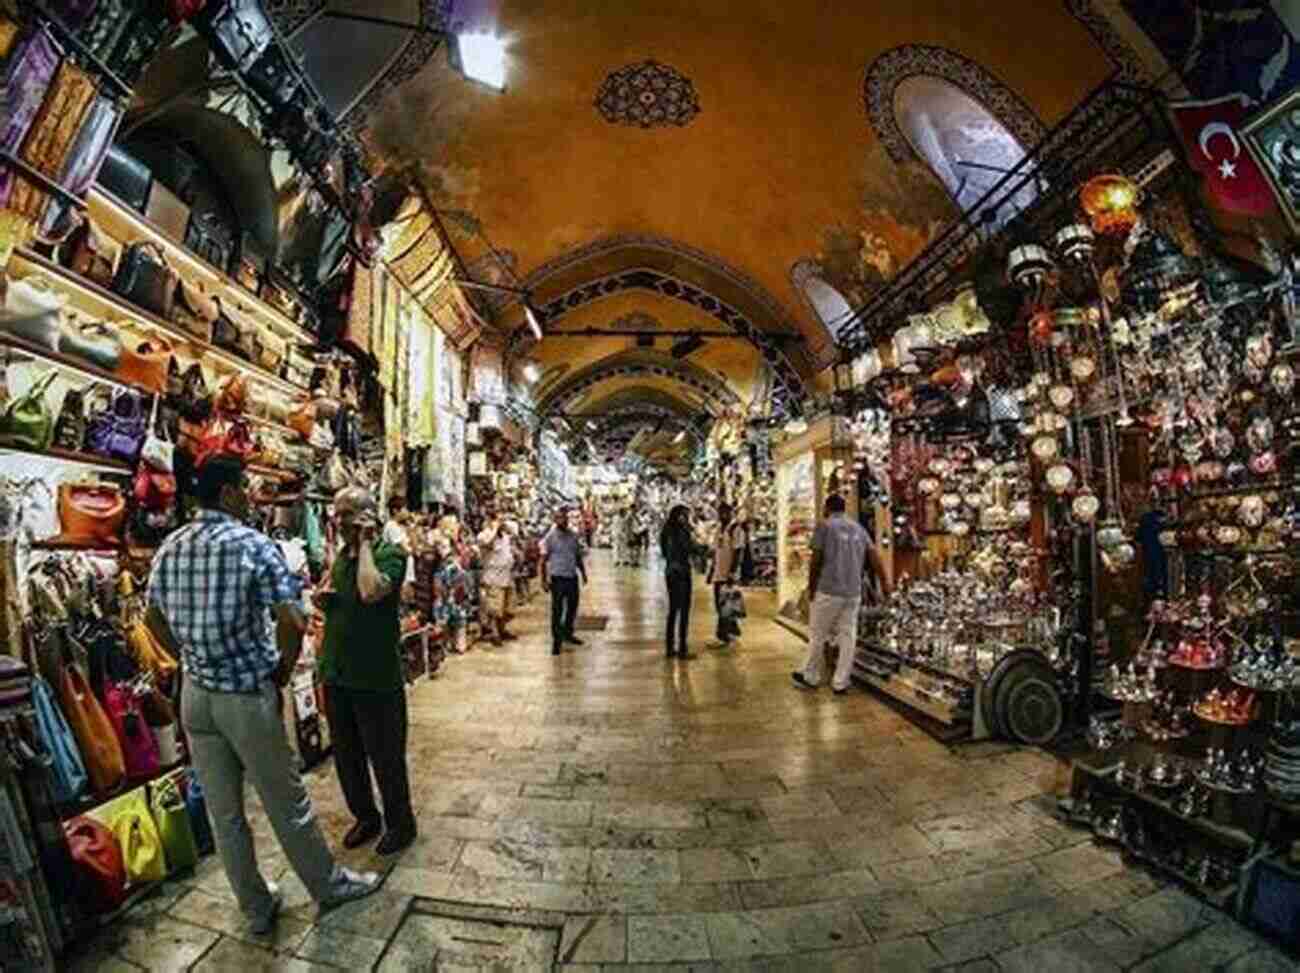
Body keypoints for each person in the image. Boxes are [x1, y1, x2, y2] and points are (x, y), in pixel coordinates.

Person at [145, 455, 378, 937]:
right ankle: (329, 886)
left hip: (197, 696)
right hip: (245, 695)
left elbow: (152, 623)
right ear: (229, 493)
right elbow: (291, 620)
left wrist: (190, 656)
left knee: (224, 812)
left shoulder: (170, 546)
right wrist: (280, 672)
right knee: (285, 801)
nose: (250, 495)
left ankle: (255, 907)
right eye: (245, 487)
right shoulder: (252, 545)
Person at [316, 486, 417, 855]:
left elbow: (371, 591)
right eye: (337, 514)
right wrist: (322, 599)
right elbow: (340, 596)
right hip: (338, 674)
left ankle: (401, 824)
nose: (338, 521)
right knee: (347, 756)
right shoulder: (341, 557)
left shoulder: (391, 554)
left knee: (386, 756)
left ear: (366, 516)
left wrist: (366, 544)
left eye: (347, 514)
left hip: (376, 678)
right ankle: (366, 816)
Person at [792, 494, 889, 694]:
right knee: (848, 635)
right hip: (853, 591)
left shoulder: (824, 527)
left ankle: (810, 676)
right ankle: (841, 681)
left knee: (818, 633)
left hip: (828, 589)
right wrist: (885, 582)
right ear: (843, 509)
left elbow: (816, 559)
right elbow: (874, 557)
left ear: (827, 508)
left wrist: (811, 587)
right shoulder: (858, 528)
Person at [659, 505, 705, 658]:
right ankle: (683, 648)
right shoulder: (681, 531)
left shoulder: (666, 531)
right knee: (684, 610)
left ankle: (670, 648)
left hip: (670, 572)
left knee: (673, 610)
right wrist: (703, 548)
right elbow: (689, 548)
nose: (686, 519)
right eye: (685, 516)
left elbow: (664, 552)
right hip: (681, 573)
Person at [542, 507, 587, 656]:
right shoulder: (550, 538)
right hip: (557, 578)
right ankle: (556, 641)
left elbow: (578, 556)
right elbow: (543, 560)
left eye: (564, 519)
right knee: (557, 610)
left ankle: (568, 633)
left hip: (571, 577)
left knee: (572, 607)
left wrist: (583, 572)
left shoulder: (573, 536)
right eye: (559, 518)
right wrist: (543, 579)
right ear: (555, 520)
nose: (562, 521)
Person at [708, 503, 747, 645]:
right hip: (718, 573)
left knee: (723, 606)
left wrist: (732, 573)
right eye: (720, 512)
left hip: (728, 575)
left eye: (725, 512)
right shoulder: (719, 529)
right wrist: (711, 570)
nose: (722, 515)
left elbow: (739, 552)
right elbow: (716, 551)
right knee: (723, 605)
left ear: (731, 513)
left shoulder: (736, 529)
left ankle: (722, 636)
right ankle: (732, 631)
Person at [478, 518, 518, 644]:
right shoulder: (483, 536)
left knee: (508, 607)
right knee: (495, 609)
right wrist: (494, 529)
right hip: (493, 577)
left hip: (507, 576)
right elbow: (488, 543)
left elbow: (514, 532)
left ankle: (502, 629)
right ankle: (494, 633)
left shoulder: (505, 536)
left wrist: (504, 527)